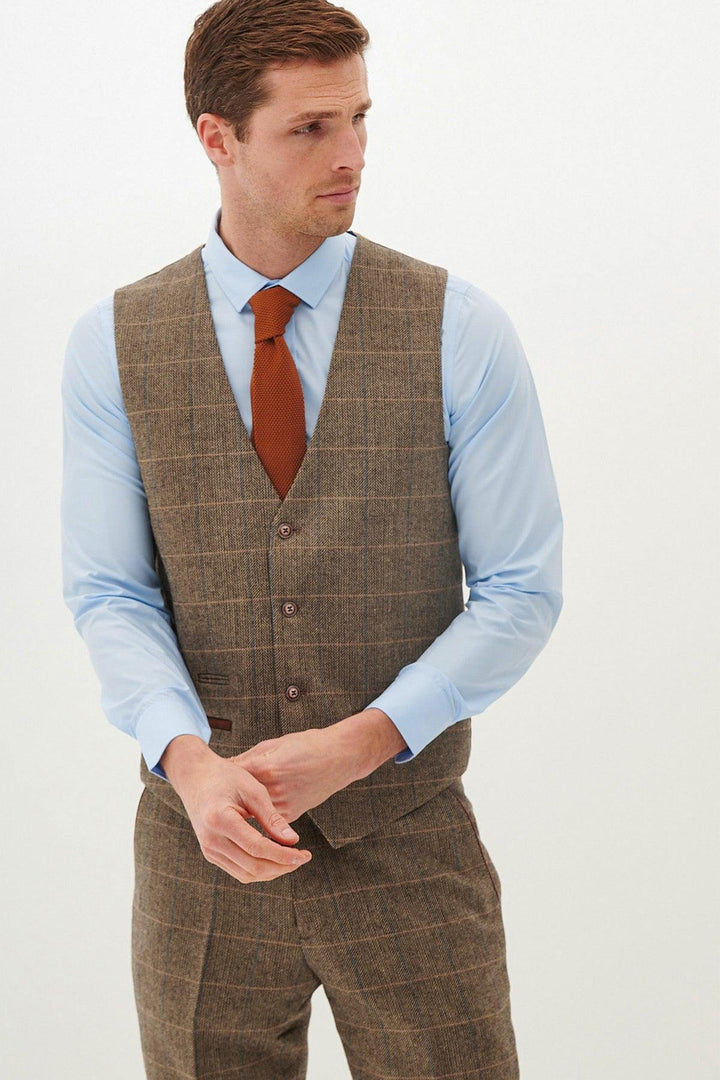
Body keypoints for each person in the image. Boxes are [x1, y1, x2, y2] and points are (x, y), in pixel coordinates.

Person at [61, 1, 563, 1076]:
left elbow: (522, 589)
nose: (353, 156)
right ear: (218, 137)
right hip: (201, 857)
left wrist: (363, 743)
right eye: (311, 128)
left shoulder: (460, 327)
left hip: (409, 846)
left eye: (360, 118)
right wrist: (190, 764)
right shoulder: (112, 343)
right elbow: (111, 592)